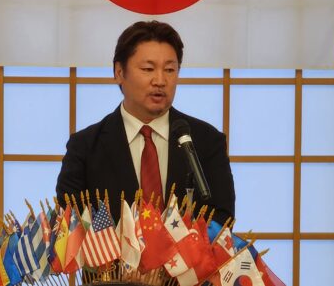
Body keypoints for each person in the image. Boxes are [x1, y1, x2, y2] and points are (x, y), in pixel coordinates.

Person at [56, 20, 235, 223]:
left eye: (170, 70)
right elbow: (70, 224)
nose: (160, 81)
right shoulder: (85, 147)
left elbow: (222, 220)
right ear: (119, 72)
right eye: (148, 69)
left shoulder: (207, 141)